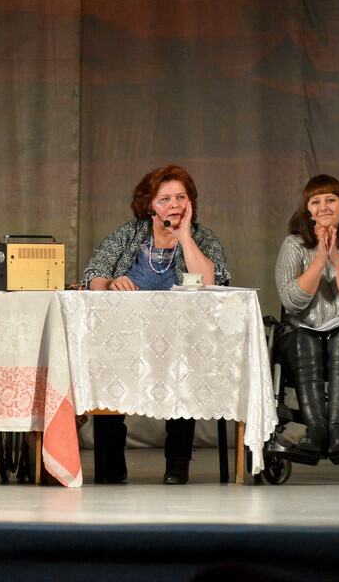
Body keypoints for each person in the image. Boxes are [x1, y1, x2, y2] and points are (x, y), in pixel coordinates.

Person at [81, 164, 230, 484]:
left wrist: (185, 236)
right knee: (106, 360)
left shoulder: (204, 237)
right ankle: (111, 462)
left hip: (182, 337)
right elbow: (91, 275)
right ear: (149, 204)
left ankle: (177, 462)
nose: (175, 204)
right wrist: (110, 284)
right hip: (126, 337)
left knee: (186, 358)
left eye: (182, 197)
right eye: (165, 198)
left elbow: (213, 283)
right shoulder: (127, 234)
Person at [274, 174, 339, 456]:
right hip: (302, 333)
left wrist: (336, 257)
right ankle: (316, 429)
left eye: (331, 199)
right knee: (304, 337)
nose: (324, 207)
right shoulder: (293, 245)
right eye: (316, 201)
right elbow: (292, 302)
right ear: (307, 211)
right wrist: (320, 257)